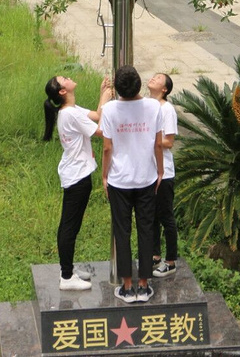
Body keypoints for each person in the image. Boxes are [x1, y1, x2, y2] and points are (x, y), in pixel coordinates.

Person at [100, 64, 163, 304]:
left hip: (119, 180)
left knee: (122, 231)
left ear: (117, 88)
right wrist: (160, 170)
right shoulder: (153, 106)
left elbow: (107, 148)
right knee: (146, 229)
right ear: (139, 84)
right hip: (146, 177)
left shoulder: (109, 109)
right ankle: (144, 285)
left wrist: (104, 175)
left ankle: (127, 286)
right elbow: (158, 144)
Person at [44, 73, 112, 291]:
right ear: (63, 91)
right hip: (77, 177)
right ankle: (66, 276)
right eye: (64, 79)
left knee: (70, 226)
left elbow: (97, 115)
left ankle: (68, 269)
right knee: (69, 227)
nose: (68, 77)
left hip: (76, 174)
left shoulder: (70, 110)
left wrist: (103, 95)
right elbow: (101, 131)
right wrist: (108, 102)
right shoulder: (70, 114)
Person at [147, 72, 178, 277]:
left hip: (164, 172)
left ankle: (171, 260)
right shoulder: (147, 106)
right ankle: (155, 255)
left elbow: (169, 141)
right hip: (148, 171)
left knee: (166, 217)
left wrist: (148, 140)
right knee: (151, 216)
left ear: (164, 89)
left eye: (158, 78)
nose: (153, 78)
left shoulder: (167, 109)